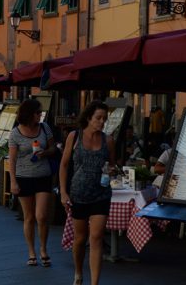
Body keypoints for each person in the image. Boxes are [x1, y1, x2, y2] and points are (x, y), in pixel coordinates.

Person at [59, 100, 116, 285]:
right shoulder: (74, 137)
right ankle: (78, 272)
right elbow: (64, 165)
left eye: (104, 119)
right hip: (79, 193)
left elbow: (112, 164)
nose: (101, 122)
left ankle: (94, 282)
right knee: (80, 238)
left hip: (101, 193)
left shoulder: (108, 140)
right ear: (89, 117)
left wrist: (112, 170)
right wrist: (63, 193)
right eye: (98, 118)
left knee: (97, 237)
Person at [8, 98, 56, 268]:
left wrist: (45, 152)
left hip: (43, 176)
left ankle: (43, 249)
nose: (40, 115)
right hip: (24, 177)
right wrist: (13, 182)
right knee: (29, 217)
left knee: (42, 216)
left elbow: (53, 148)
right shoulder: (15, 133)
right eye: (37, 112)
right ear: (29, 114)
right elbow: (12, 160)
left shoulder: (45, 128)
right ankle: (31, 252)